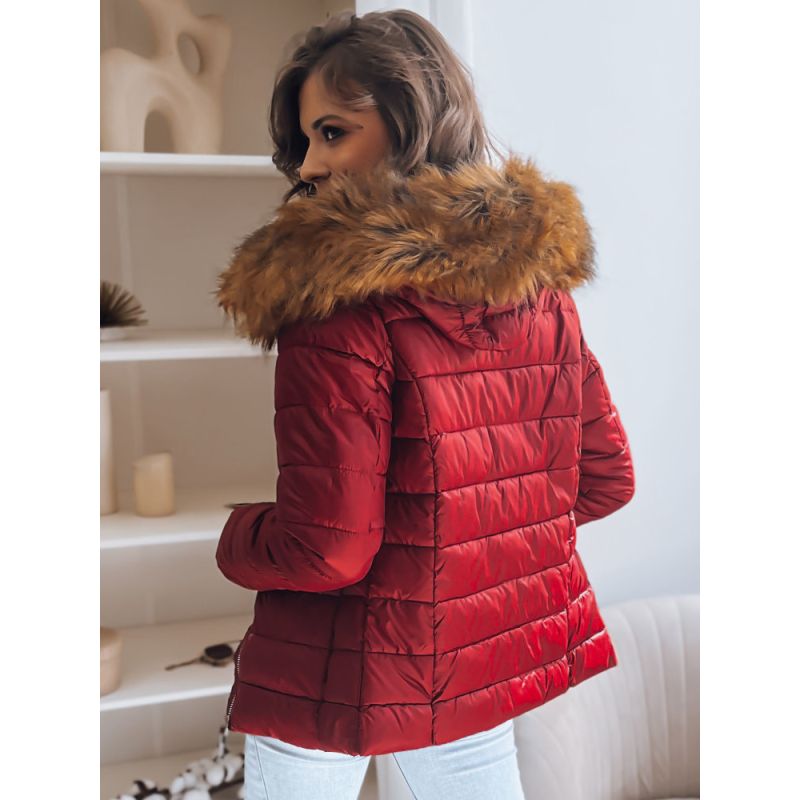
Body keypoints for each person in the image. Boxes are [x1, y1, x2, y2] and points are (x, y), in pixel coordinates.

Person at [214, 9, 636, 800]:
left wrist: (238, 538)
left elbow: (328, 548)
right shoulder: (541, 293)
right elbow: (606, 481)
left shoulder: (335, 304)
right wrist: (472, 552)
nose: (309, 165)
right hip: (472, 661)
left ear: (409, 124)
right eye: (304, 140)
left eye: (332, 133)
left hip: (336, 669)